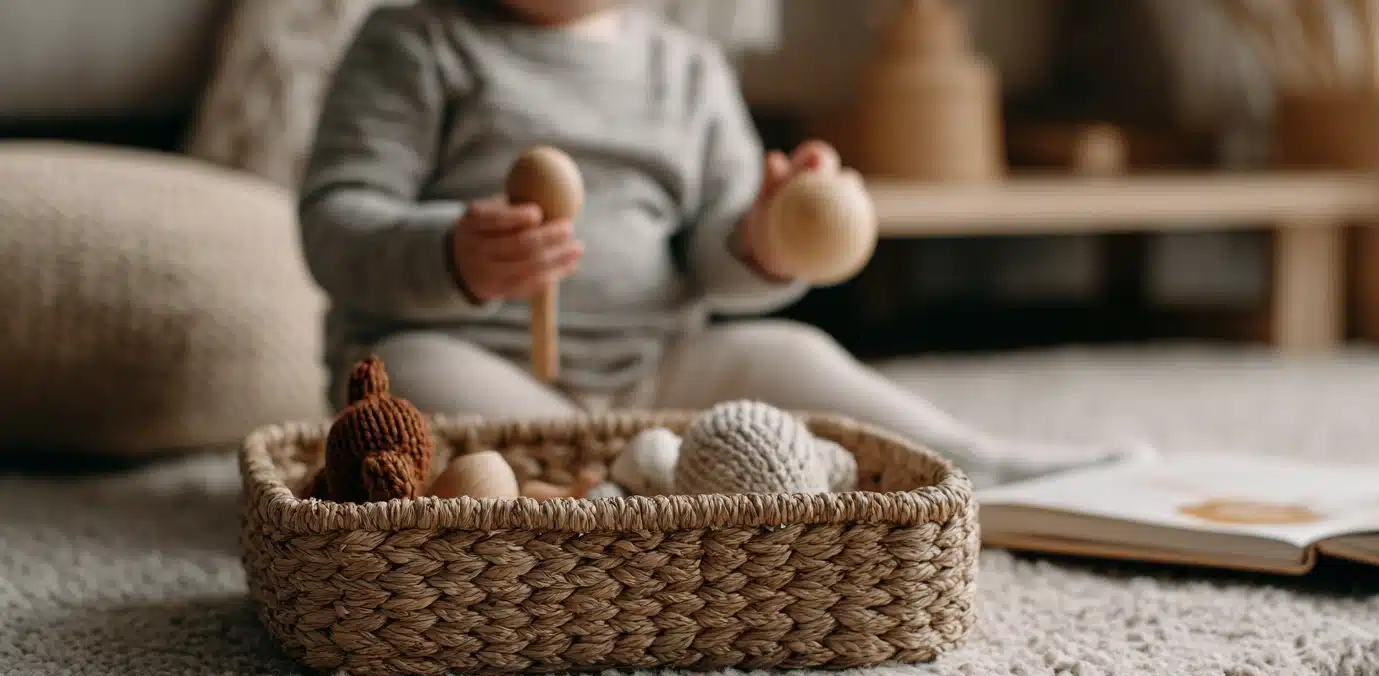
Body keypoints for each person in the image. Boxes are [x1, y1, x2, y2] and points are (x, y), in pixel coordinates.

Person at [298, 0, 1146, 487]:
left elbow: (712, 261)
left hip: (658, 365)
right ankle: (618, 493)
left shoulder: (687, 69)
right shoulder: (414, 43)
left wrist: (764, 236)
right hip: (470, 352)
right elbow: (336, 224)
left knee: (791, 350)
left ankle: (977, 467)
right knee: (408, 380)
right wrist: (455, 255)